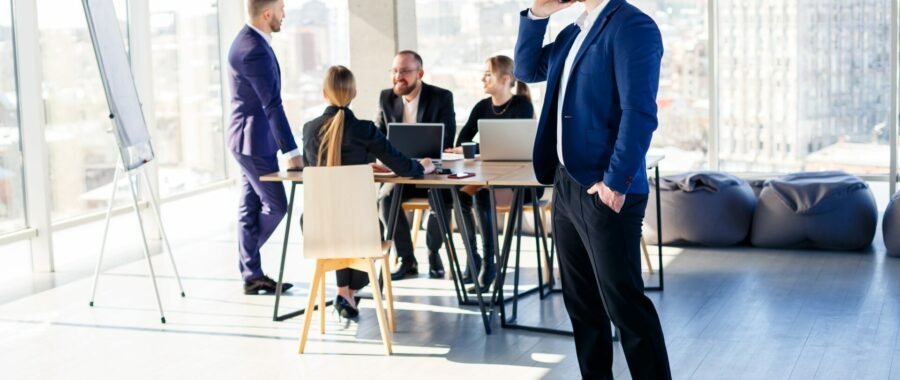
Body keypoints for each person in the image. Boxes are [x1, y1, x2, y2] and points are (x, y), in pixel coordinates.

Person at [515, 0, 671, 378]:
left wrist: (615, 183)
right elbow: (525, 68)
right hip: (567, 186)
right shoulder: (574, 31)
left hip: (605, 190)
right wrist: (537, 14)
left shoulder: (633, 26)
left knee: (625, 307)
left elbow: (640, 113)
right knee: (582, 307)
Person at [303, 65, 435, 318]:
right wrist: (424, 166)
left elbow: (315, 173)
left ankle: (344, 293)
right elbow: (405, 167)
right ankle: (348, 292)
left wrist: (361, 167)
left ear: (323, 93)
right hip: (360, 231)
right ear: (353, 93)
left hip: (316, 228)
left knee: (341, 226)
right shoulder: (364, 130)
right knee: (362, 228)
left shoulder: (309, 129)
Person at [227, 0, 303, 295]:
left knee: (250, 206)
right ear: (267, 13)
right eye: (282, 9)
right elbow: (271, 104)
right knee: (277, 205)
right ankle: (248, 260)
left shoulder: (250, 41)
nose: (285, 14)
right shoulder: (253, 50)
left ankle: (251, 273)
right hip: (253, 141)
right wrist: (292, 153)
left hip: (249, 139)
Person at [444, 55, 536, 293]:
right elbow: (461, 140)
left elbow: (519, 146)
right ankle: (475, 259)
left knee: (480, 192)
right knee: (460, 194)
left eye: (488, 74)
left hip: (518, 184)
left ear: (505, 79)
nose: (483, 78)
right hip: (487, 179)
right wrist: (476, 150)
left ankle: (488, 262)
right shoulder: (482, 106)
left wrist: (479, 150)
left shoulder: (522, 105)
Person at [374, 50, 457, 281]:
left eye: (405, 71)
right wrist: (382, 161)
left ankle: (433, 252)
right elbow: (378, 136)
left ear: (419, 73)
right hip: (401, 172)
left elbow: (447, 139)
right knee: (385, 198)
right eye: (395, 71)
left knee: (440, 199)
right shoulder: (386, 98)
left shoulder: (441, 97)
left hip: (432, 172)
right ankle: (407, 259)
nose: (398, 76)